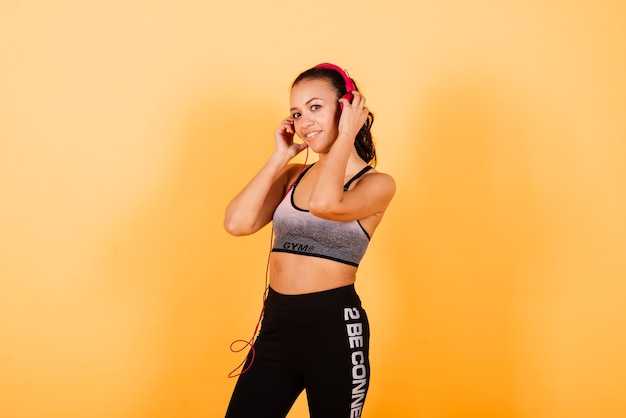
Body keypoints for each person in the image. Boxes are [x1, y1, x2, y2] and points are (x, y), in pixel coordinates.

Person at [223, 63, 395, 418]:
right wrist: (279, 157)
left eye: (316, 107)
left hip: (333, 331)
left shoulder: (375, 184)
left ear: (347, 107)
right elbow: (237, 223)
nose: (305, 122)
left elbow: (326, 204)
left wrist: (347, 134)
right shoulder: (293, 176)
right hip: (276, 329)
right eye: (297, 113)